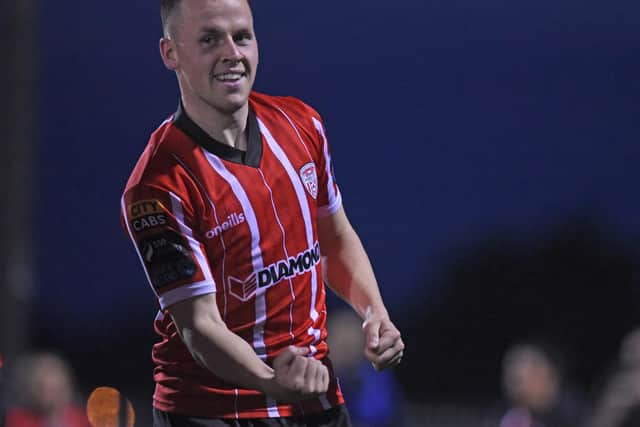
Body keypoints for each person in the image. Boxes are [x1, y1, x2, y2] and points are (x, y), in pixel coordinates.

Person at [120, 0, 405, 426]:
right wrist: (272, 380)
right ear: (170, 53)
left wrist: (375, 313)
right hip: (210, 411)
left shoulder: (302, 125)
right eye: (210, 39)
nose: (232, 53)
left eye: (242, 36)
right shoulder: (158, 186)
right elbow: (200, 328)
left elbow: (334, 238)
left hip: (314, 398)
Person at [3, 351, 91, 427]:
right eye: (40, 388)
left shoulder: (82, 420)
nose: (48, 396)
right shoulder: (17, 420)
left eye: (54, 389)